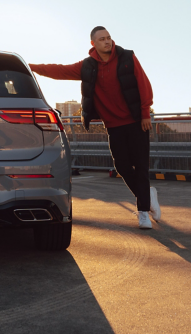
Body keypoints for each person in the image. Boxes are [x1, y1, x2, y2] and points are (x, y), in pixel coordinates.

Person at [29, 27, 161, 229]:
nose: (107, 42)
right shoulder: (87, 67)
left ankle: (143, 212)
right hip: (114, 125)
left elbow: (144, 84)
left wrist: (145, 113)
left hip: (135, 122)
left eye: (109, 38)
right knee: (123, 167)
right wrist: (30, 67)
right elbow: (60, 70)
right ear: (93, 43)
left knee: (141, 167)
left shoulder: (127, 57)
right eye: (102, 39)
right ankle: (147, 196)